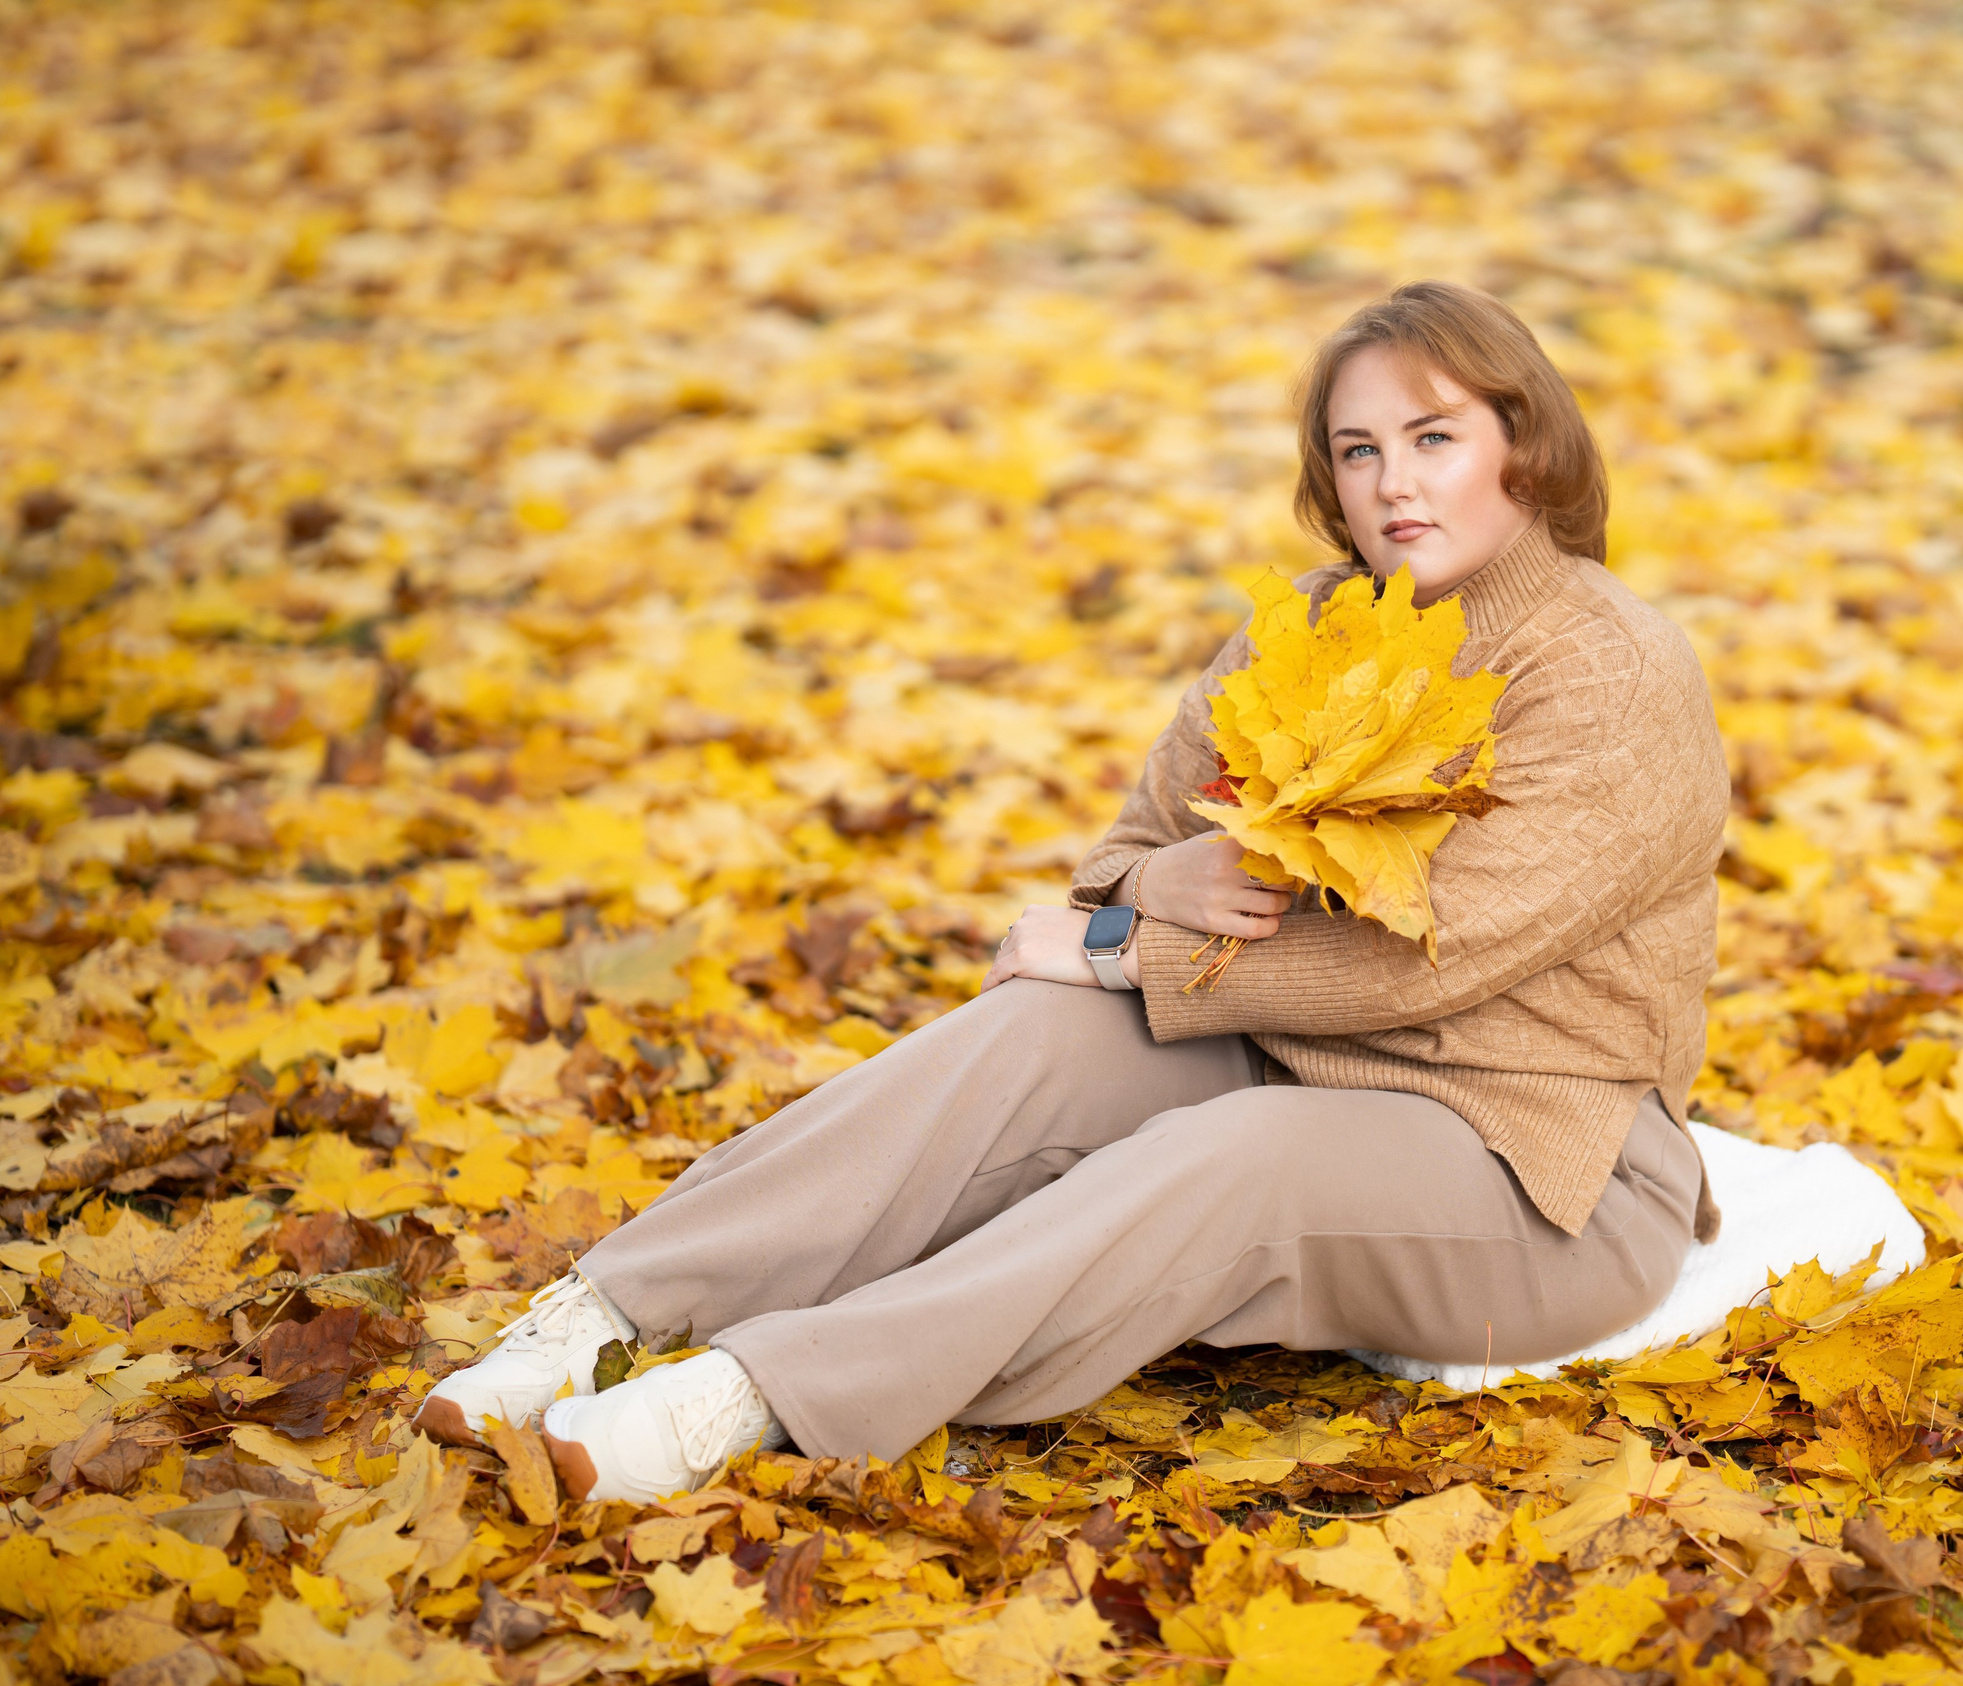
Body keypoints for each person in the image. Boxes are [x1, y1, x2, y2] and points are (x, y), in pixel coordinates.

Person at [417, 281, 1731, 1502]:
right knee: (1028, 1037)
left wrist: (1116, 948)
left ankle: (756, 1393)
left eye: (1433, 438)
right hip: (1290, 1052)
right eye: (1358, 449)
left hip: (1539, 1163)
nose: (1393, 483)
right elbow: (1125, 856)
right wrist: (1156, 883)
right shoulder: (1324, 622)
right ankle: (602, 1314)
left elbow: (1427, 963)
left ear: (1528, 447)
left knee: (1224, 1148)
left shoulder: (1612, 674)